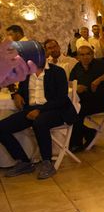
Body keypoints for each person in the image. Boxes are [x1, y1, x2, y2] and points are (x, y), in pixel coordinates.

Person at [0, 45, 77, 179]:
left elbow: (61, 99)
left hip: (55, 110)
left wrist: (39, 110)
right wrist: (16, 95)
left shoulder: (57, 72)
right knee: (1, 127)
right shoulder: (26, 74)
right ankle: (23, 161)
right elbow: (21, 90)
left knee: (39, 122)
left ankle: (47, 162)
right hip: (32, 110)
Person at [69, 46, 104, 152]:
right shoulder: (77, 67)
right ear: (78, 57)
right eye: (82, 55)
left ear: (92, 55)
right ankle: (89, 133)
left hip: (99, 101)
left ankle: (76, 143)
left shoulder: (99, 64)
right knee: (70, 110)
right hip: (83, 100)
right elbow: (70, 81)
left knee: (76, 111)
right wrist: (77, 86)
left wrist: (99, 79)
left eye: (88, 54)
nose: (85, 57)